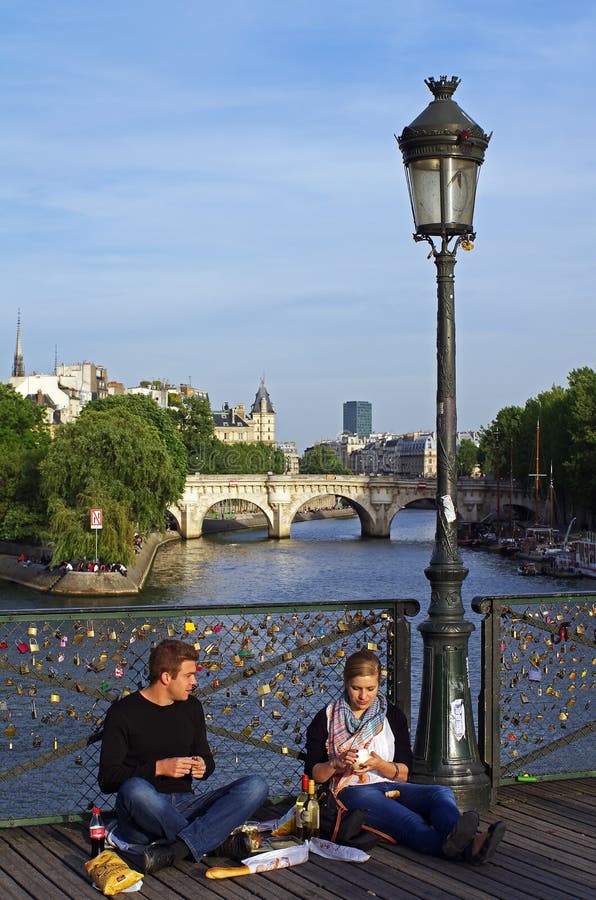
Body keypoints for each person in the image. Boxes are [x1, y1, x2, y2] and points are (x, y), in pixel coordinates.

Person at [305, 649, 505, 864]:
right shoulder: (326, 718)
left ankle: (460, 838)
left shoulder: (391, 715)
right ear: (346, 682)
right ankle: (471, 847)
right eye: (356, 689)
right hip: (350, 791)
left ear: (379, 684)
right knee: (410, 822)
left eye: (370, 689)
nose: (363, 696)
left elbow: (404, 774)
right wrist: (336, 763)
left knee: (440, 793)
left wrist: (381, 765)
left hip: (389, 783)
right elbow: (314, 775)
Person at [98, 639, 268, 874]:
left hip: (185, 805)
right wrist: (158, 768)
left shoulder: (192, 707)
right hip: (144, 814)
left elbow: (207, 760)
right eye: (188, 676)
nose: (195, 682)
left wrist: (203, 766)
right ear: (166, 677)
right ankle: (213, 844)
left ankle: (177, 849)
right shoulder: (123, 712)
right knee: (134, 789)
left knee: (255, 786)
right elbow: (107, 779)